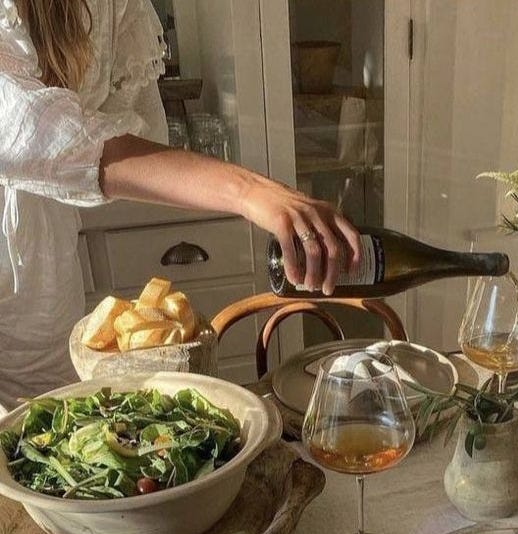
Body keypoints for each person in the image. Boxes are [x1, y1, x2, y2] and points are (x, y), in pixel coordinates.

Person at [0, 0, 360, 409]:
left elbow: (122, 133)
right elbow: (36, 135)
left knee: (49, 435)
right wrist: (249, 192)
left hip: (47, 286)